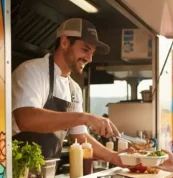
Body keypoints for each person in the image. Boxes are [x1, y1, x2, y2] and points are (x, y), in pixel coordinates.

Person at [11, 18, 123, 166]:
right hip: (15, 174)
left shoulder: (74, 89)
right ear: (64, 42)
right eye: (85, 49)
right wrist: (83, 117)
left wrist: (114, 157)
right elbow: (26, 119)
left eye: (92, 53)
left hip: (47, 174)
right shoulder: (31, 71)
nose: (89, 58)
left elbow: (80, 137)